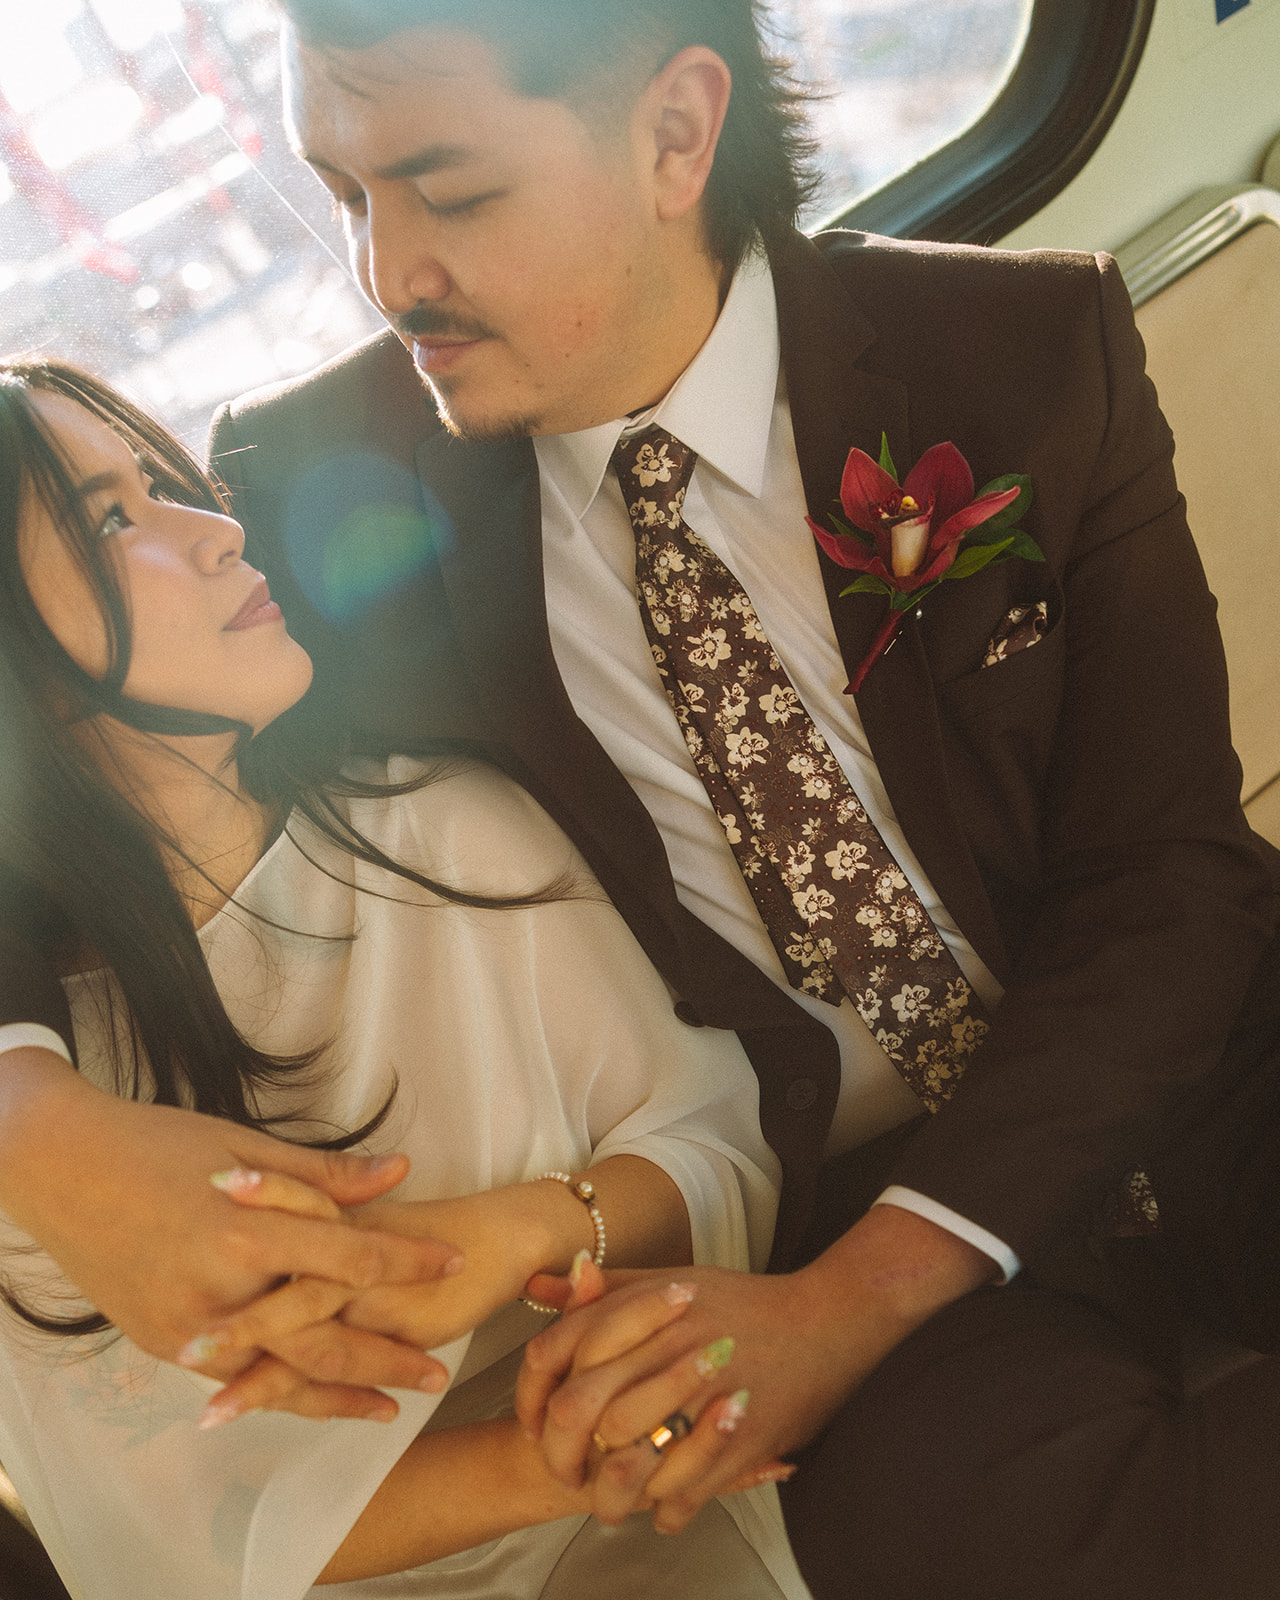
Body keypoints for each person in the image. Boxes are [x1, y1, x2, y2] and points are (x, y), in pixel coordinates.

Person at [3, 1, 1280, 1595]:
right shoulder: (328, 489)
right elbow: (47, 748)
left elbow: (1170, 882)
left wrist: (864, 1296)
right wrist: (27, 1122)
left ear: (678, 135)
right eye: (344, 198)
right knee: (922, 1525)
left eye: (449, 192)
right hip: (820, 1213)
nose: (385, 274)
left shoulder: (1022, 354)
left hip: (1209, 1063)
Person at [0, 359, 809, 1599]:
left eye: (179, 486)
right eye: (113, 519)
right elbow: (175, 1533)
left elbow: (709, 1140)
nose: (219, 533)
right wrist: (555, 1459)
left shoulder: (447, 834)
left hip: (676, 1494)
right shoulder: (52, 1104)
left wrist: (515, 1234)